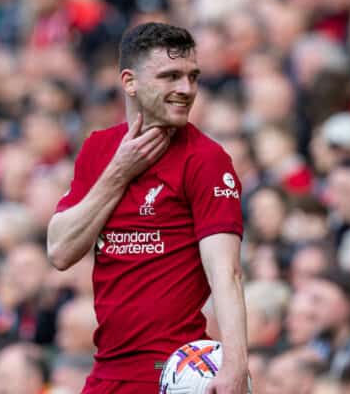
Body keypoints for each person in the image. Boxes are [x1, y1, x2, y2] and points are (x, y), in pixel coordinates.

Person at [47, 22, 248, 394]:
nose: (186, 90)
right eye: (170, 76)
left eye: (192, 77)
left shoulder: (207, 160)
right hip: (106, 370)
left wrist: (235, 367)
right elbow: (59, 251)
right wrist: (118, 173)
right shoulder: (98, 149)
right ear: (129, 82)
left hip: (171, 372)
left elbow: (228, 272)